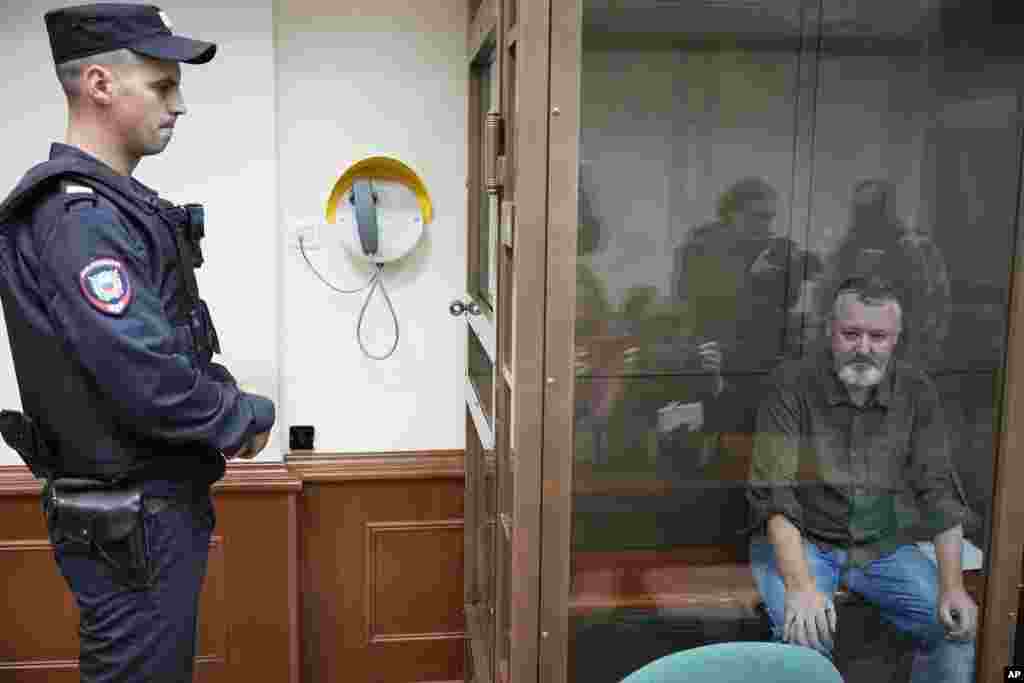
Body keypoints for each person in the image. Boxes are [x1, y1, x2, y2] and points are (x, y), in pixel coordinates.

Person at [0, 5, 275, 681]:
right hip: (134, 517)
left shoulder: (108, 206)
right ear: (99, 84)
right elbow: (148, 378)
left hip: (143, 511)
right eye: (161, 85)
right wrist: (245, 417)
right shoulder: (80, 219)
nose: (178, 105)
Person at [747, 276, 977, 682]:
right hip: (803, 542)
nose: (864, 348)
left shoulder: (916, 390)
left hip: (879, 545)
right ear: (828, 332)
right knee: (805, 638)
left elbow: (939, 492)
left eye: (878, 336)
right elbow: (775, 494)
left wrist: (952, 586)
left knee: (954, 628)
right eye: (851, 334)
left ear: (896, 338)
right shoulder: (791, 383)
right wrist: (800, 587)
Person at [813, 179, 951, 370]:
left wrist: (917, 359)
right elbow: (824, 303)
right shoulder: (845, 251)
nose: (868, 216)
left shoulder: (917, 249)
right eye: (862, 210)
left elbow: (934, 309)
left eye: (875, 208)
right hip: (852, 355)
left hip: (902, 355)